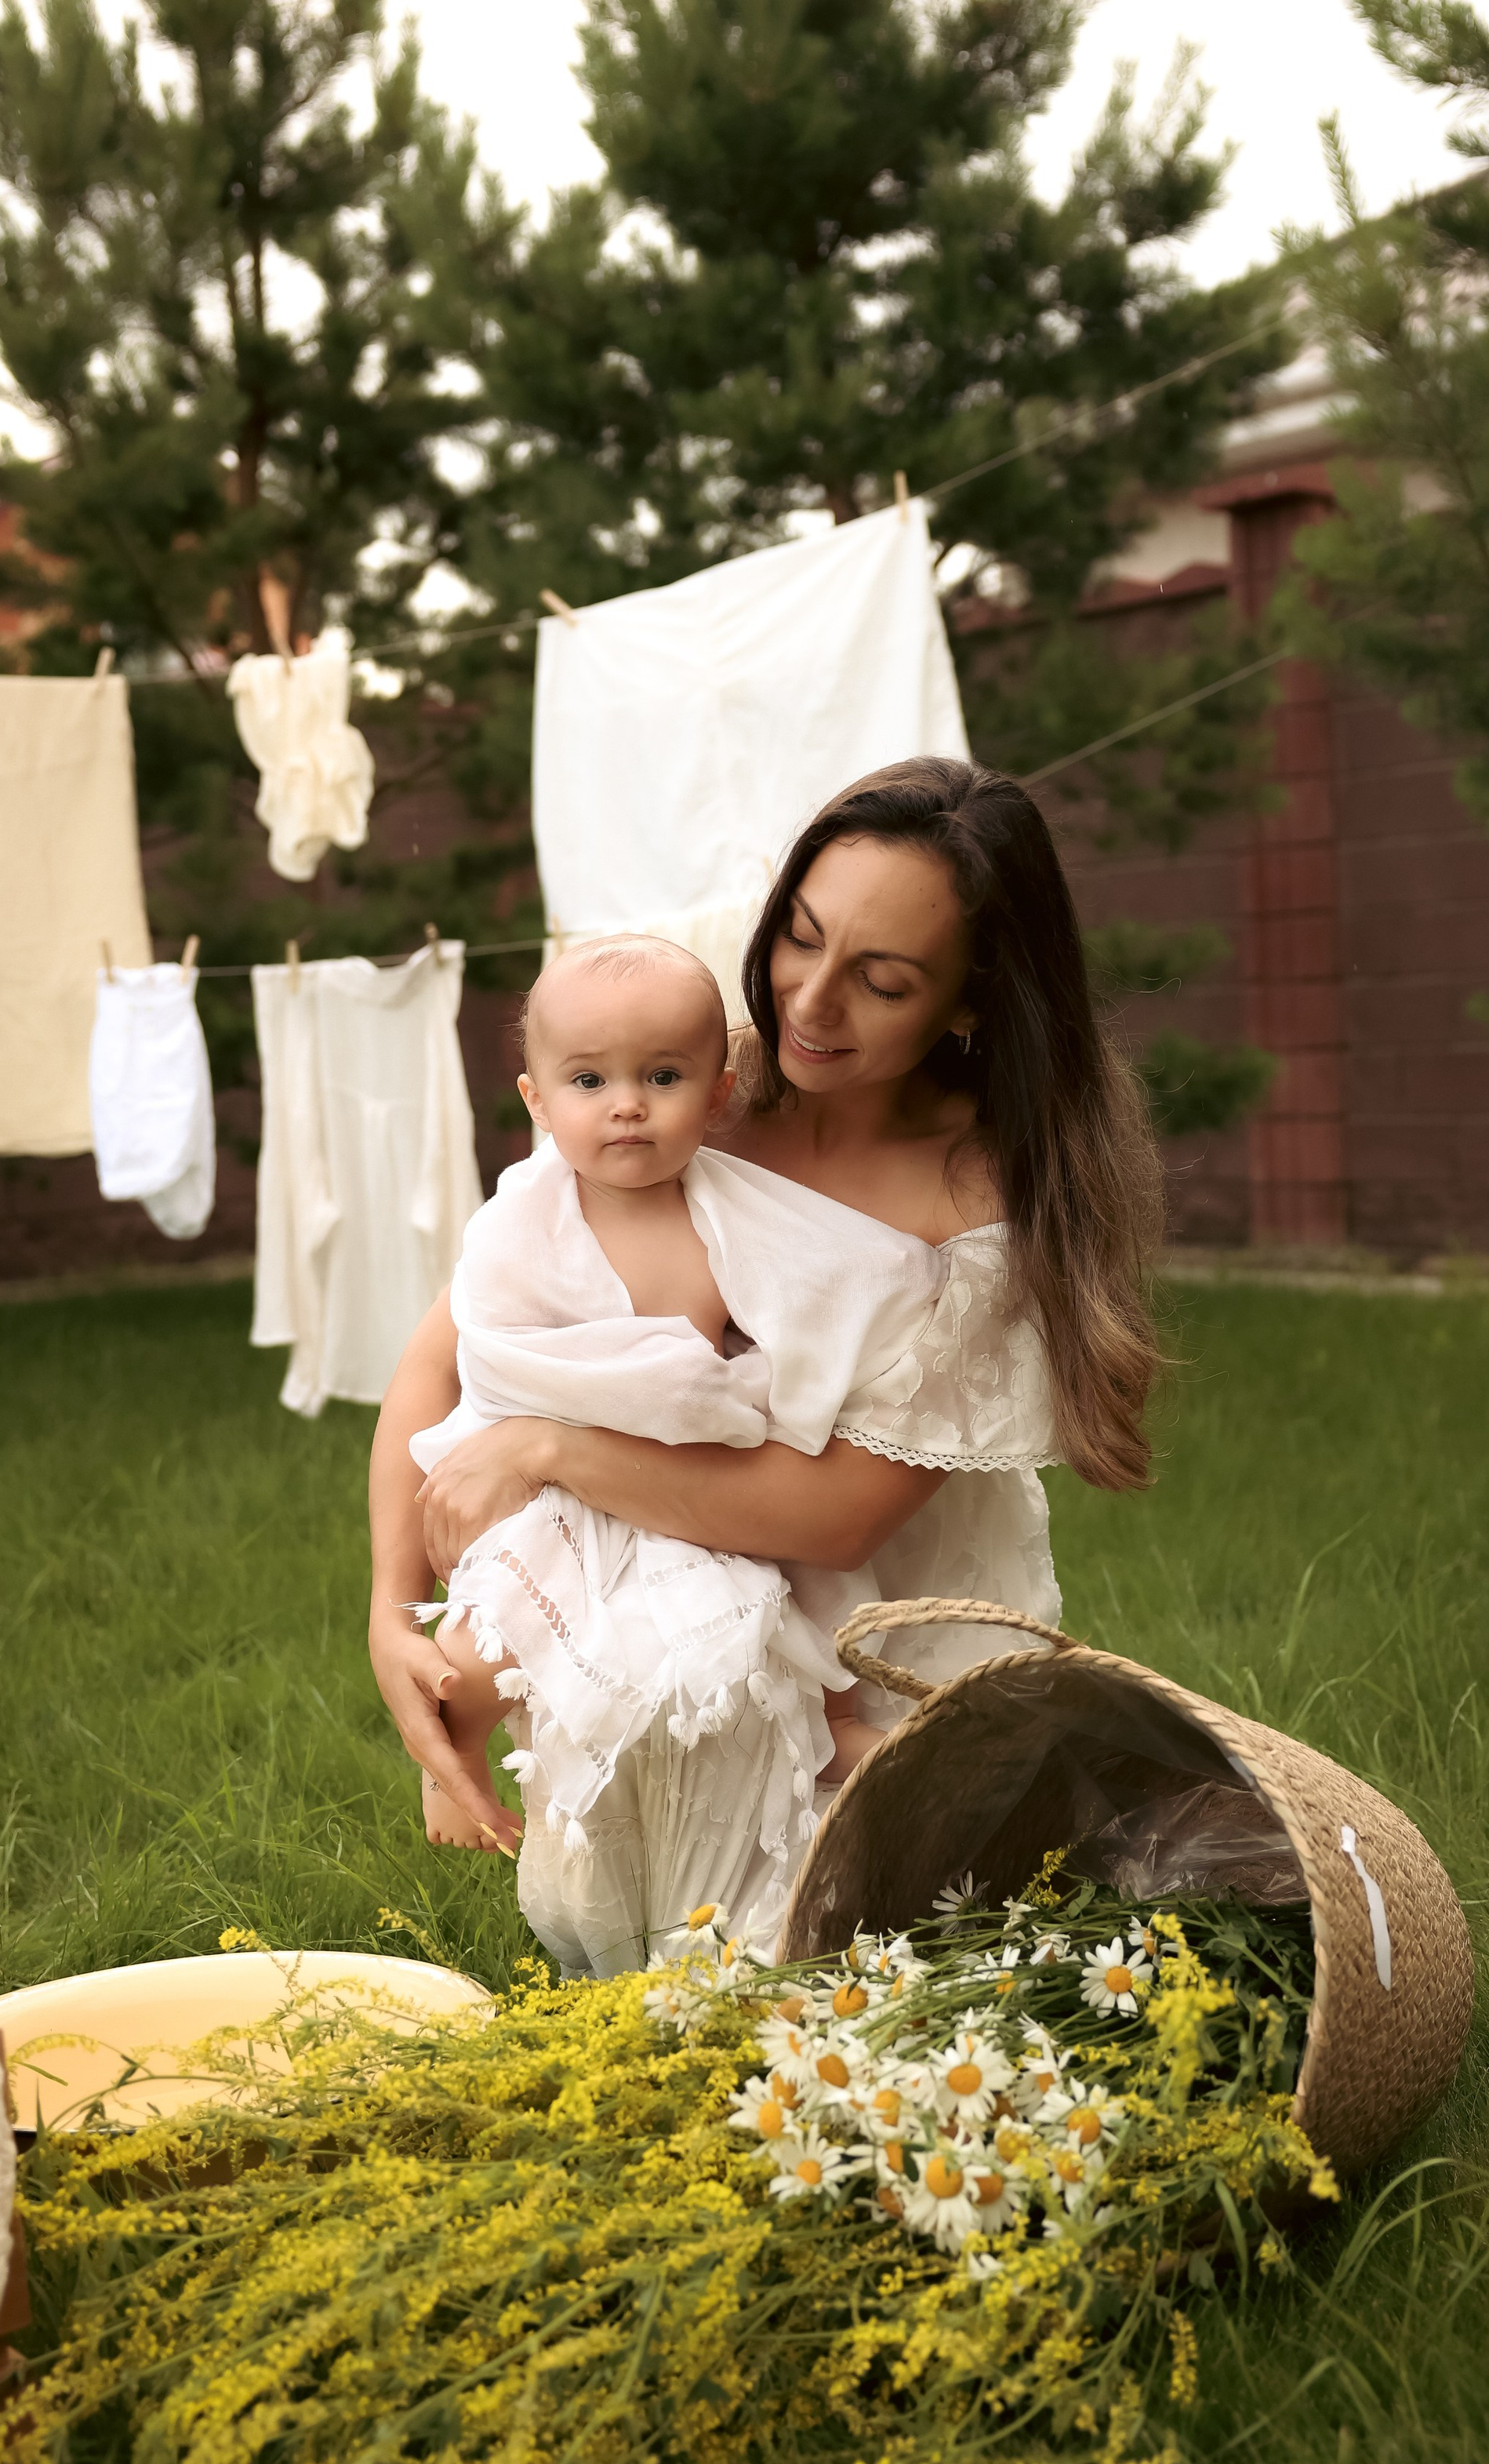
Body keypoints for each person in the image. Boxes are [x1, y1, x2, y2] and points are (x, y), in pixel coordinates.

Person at [369, 755, 1163, 1968]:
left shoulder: (982, 1215)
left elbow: (833, 1520)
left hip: (866, 1639)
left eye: (881, 982)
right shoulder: (700, 1089)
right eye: (800, 937)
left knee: (828, 1975)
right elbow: (453, 1344)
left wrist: (545, 1447)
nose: (810, 1004)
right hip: (656, 1588)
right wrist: (390, 1607)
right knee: (644, 1963)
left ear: (970, 1004)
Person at [407, 929, 943, 1911]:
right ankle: (457, 1764)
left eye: (661, 1076)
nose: (626, 1105)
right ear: (535, 1101)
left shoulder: (731, 1214)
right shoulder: (522, 1222)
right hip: (555, 1493)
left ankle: (833, 1735)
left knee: (797, 1617)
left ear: (717, 1095)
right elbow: (492, 1346)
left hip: (689, 1487)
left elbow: (826, 1289)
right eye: (587, 1081)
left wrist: (732, 1393)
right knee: (485, 1649)